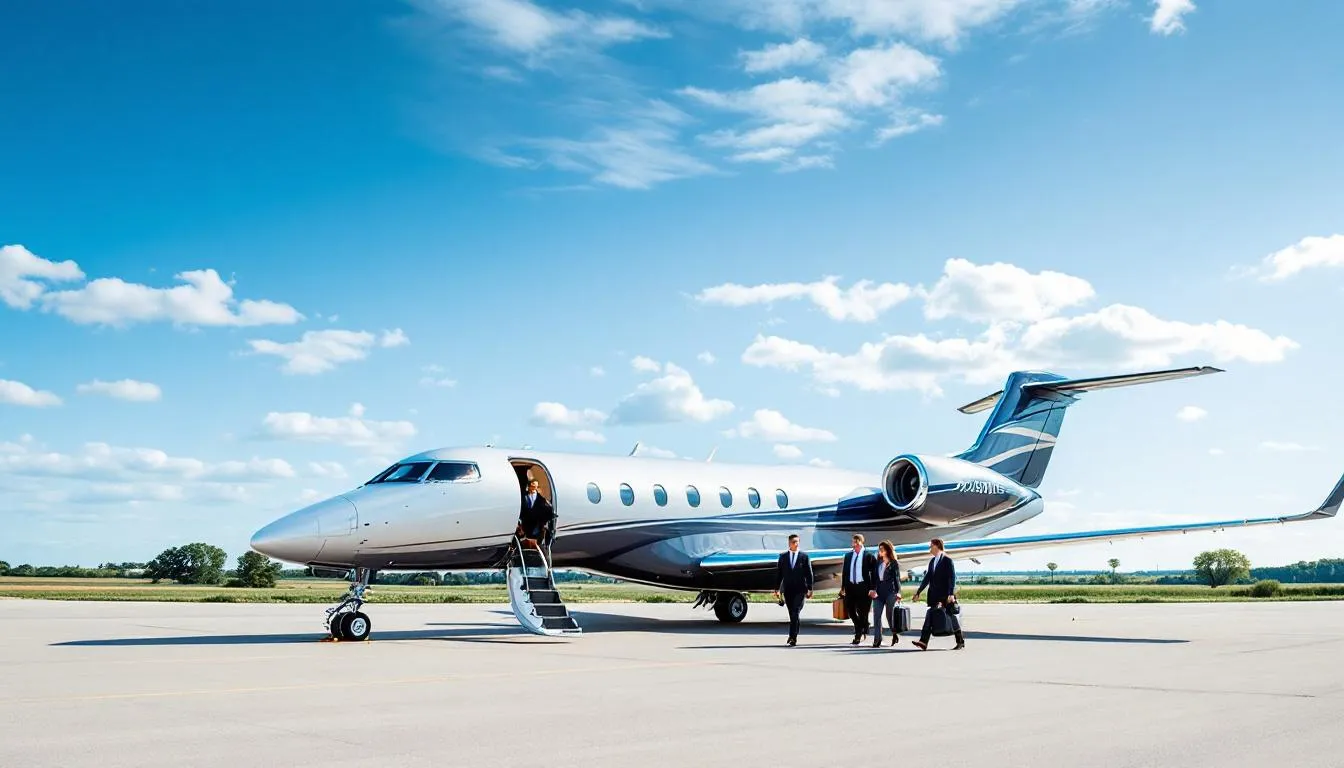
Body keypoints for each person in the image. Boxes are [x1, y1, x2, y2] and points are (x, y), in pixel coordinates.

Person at [912, 538, 965, 650]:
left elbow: (952, 578)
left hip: (945, 595)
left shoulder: (947, 560)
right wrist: (918, 592)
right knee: (938, 615)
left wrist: (950, 594)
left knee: (941, 615)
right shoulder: (932, 561)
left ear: (936, 546)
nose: (930, 549)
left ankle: (924, 641)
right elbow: (927, 578)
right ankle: (924, 642)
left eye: (931, 546)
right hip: (934, 595)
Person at [774, 534, 813, 646]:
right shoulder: (783, 557)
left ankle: (793, 637)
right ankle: (792, 635)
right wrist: (777, 589)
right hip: (788, 589)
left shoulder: (804, 557)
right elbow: (779, 574)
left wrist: (810, 588)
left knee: (795, 612)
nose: (796, 544)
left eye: (797, 542)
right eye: (793, 542)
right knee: (792, 613)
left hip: (800, 589)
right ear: (789, 543)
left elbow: (809, 573)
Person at [840, 533, 877, 645]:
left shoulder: (868, 556)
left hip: (864, 587)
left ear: (862, 542)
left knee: (863, 612)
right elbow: (845, 573)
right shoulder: (848, 556)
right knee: (850, 610)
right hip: (851, 586)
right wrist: (843, 587)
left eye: (857, 542)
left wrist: (873, 588)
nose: (854, 544)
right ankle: (861, 626)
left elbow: (874, 574)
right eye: (853, 542)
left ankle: (858, 635)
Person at [868, 540, 902, 647]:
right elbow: (874, 578)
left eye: (882, 549)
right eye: (879, 549)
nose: (880, 551)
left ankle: (894, 633)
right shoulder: (877, 563)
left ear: (887, 550)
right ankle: (877, 639)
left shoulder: (893, 563)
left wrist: (898, 592)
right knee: (876, 616)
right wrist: (872, 589)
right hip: (878, 593)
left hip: (890, 592)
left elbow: (897, 579)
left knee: (889, 616)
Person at [517, 478, 555, 549]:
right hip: (525, 523)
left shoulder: (542, 499)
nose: (534, 488)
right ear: (529, 486)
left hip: (536, 525)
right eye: (533, 486)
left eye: (536, 486)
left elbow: (548, 510)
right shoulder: (523, 497)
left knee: (535, 542)